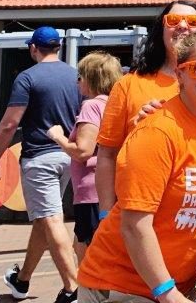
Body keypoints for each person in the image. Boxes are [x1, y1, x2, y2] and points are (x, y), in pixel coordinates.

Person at [77, 30, 196, 303]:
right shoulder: (157, 132)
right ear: (180, 73)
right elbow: (134, 225)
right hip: (124, 286)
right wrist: (167, 293)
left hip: (176, 285)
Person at [0, 26, 81, 303]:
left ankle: (73, 289)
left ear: (33, 49)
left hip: (40, 157)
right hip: (68, 155)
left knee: (51, 219)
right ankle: (22, 280)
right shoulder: (75, 75)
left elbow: (10, 123)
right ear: (58, 48)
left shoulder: (27, 77)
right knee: (44, 220)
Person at [96, 0, 196, 213]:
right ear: (161, 29)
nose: (183, 26)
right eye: (173, 20)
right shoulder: (129, 84)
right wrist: (105, 213)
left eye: (193, 21)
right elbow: (106, 155)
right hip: (140, 212)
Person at [46, 52, 122, 262]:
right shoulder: (117, 104)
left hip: (92, 192)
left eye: (80, 76)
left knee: (90, 253)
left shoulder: (92, 106)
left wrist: (58, 137)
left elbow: (83, 151)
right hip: (114, 188)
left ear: (90, 79)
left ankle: (90, 293)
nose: (77, 81)